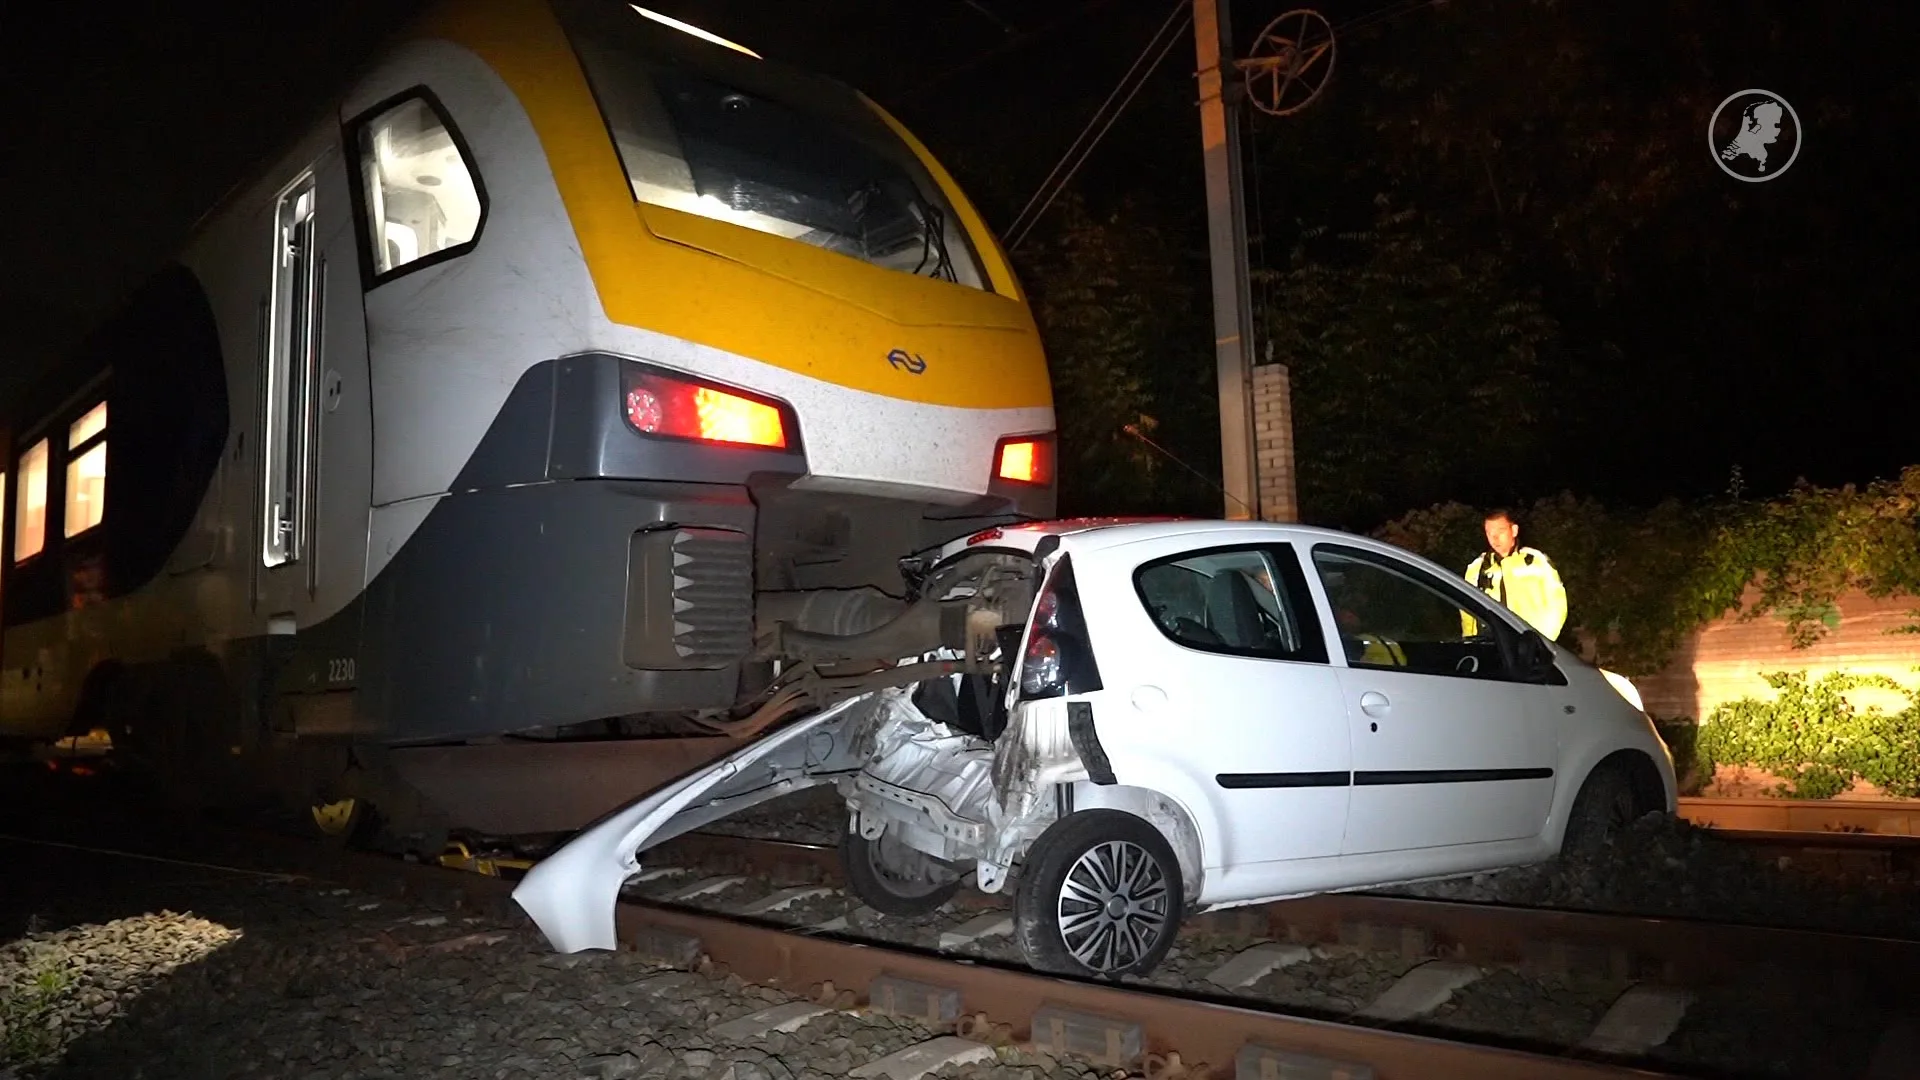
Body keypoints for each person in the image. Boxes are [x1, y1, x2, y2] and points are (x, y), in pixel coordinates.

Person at [1463, 509, 1567, 640]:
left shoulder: (1535, 561)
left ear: (1514, 530)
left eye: (1501, 531)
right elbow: (1467, 614)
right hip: (1492, 647)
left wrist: (1542, 642)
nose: (1495, 538)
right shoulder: (1476, 568)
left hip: (1529, 646)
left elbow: (1557, 605)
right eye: (1490, 533)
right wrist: (1470, 643)